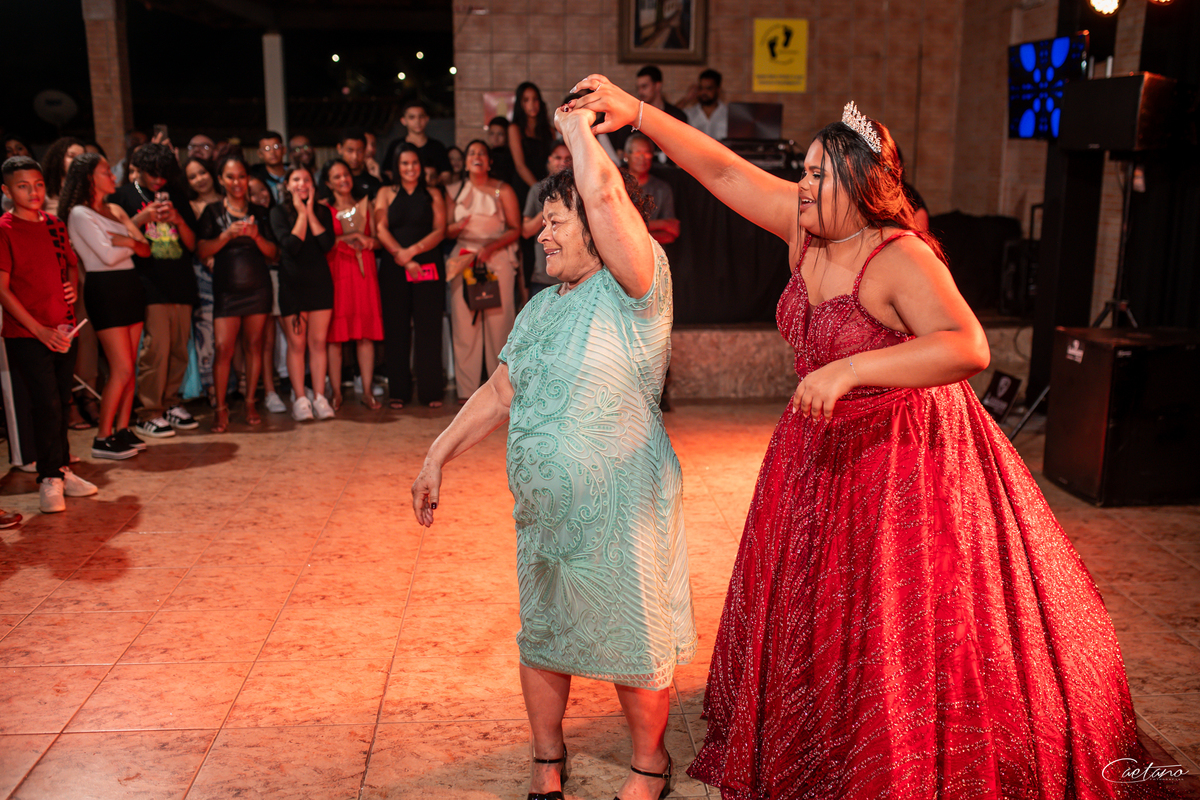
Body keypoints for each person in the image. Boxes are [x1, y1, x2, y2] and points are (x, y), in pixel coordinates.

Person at [571, 76, 1174, 797]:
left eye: (817, 175)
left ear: (859, 183)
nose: (801, 185)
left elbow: (968, 346)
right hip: (818, 451)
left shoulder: (898, 255)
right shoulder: (805, 230)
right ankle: (824, 730)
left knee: (896, 615)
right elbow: (725, 171)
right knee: (822, 606)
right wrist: (638, 113)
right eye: (803, 172)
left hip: (902, 460)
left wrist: (853, 368)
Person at [411, 97, 695, 800]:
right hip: (546, 523)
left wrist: (577, 127)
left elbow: (608, 195)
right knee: (543, 635)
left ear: (596, 224)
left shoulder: (637, 288)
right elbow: (499, 392)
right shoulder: (541, 307)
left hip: (621, 510)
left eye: (555, 221)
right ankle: (547, 760)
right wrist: (437, 454)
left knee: (633, 636)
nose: (541, 235)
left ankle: (649, 768)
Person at [0, 155, 95, 516]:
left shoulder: (54, 223)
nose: (33, 192)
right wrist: (38, 329)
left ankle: (62, 469)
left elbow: (70, 263)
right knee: (45, 403)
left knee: (61, 400)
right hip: (27, 332)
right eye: (23, 186)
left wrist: (71, 286)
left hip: (64, 328)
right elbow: (3, 289)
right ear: (7, 190)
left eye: (38, 184)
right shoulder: (5, 229)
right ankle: (49, 477)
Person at [62, 153, 151, 460]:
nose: (113, 176)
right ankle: (102, 437)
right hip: (105, 289)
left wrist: (126, 242)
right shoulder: (79, 213)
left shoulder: (114, 209)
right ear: (89, 178)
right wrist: (130, 244)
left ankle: (122, 429)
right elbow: (106, 256)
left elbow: (145, 248)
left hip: (130, 285)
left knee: (130, 367)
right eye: (106, 172)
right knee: (121, 368)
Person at [109, 143, 201, 439]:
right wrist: (141, 218)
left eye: (164, 175)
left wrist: (177, 219)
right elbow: (112, 238)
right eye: (153, 174)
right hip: (147, 283)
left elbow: (192, 245)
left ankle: (171, 403)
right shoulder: (123, 197)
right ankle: (148, 412)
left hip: (181, 282)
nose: (159, 180)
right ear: (138, 169)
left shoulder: (177, 196)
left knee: (179, 349)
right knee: (156, 349)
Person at [196, 156, 279, 432]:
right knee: (223, 348)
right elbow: (201, 250)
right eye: (230, 177)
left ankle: (251, 402)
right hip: (227, 290)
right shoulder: (212, 212)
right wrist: (226, 236)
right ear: (221, 180)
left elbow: (274, 253)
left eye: (241, 176)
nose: (237, 182)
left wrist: (256, 236)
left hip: (258, 288)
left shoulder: (260, 211)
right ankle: (220, 408)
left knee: (254, 345)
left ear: (248, 178)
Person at [444, 140, 519, 401]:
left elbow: (515, 228)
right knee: (465, 325)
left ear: (489, 162)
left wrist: (490, 247)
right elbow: (444, 229)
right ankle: (467, 392)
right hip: (464, 257)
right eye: (472, 153)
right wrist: (455, 228)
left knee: (500, 324)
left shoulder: (502, 190)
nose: (477, 157)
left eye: (482, 153)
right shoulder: (453, 191)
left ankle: (502, 392)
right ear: (465, 162)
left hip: (496, 257)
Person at [374, 144, 446, 409]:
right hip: (395, 266)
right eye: (404, 163)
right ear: (396, 166)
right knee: (396, 328)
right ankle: (399, 391)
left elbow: (440, 230)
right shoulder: (385, 192)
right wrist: (401, 256)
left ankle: (430, 390)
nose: (410, 168)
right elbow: (380, 228)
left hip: (427, 264)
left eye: (414, 162)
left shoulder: (433, 193)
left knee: (429, 328)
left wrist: (412, 253)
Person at [268, 166, 336, 421]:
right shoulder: (278, 212)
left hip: (320, 284)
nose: (302, 184)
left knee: (318, 343)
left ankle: (319, 397)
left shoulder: (323, 211)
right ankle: (300, 399)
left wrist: (309, 212)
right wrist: (300, 214)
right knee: (296, 344)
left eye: (307, 179)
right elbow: (291, 245)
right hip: (292, 286)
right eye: (296, 179)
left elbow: (326, 243)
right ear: (287, 185)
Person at [322, 158, 383, 410]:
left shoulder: (366, 205)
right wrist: (350, 236)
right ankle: (336, 392)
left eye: (345, 174)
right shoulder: (323, 208)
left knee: (365, 334)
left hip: (363, 271)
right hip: (337, 271)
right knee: (335, 336)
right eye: (336, 177)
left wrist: (369, 242)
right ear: (328, 183)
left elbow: (378, 240)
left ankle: (367, 391)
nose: (343, 180)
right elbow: (323, 242)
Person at [246, 175, 286, 414]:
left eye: (262, 189)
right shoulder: (251, 218)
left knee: (292, 337)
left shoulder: (278, 212)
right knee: (266, 341)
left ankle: (297, 385)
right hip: (262, 278)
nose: (260, 196)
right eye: (252, 193)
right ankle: (270, 391)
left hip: (284, 276)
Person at [185, 156, 221, 402]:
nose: (199, 179)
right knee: (206, 329)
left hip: (234, 270)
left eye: (202, 172)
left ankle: (239, 381)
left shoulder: (230, 199)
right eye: (192, 176)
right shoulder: (189, 206)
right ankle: (211, 386)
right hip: (202, 274)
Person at [520, 142, 572, 296]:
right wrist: (550, 207)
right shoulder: (537, 190)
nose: (563, 162)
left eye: (567, 158)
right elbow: (526, 231)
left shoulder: (579, 189)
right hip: (543, 275)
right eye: (558, 158)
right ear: (549, 160)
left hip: (572, 274)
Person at [610, 66, 689, 155]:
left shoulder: (676, 116)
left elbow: (685, 151)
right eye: (638, 88)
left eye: (644, 86)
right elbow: (621, 153)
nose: (640, 92)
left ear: (658, 86)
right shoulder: (632, 119)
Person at [623, 134, 679, 245]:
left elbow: (672, 231)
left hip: (652, 250)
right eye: (637, 152)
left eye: (647, 153)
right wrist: (660, 224)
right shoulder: (617, 184)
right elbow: (619, 226)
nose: (642, 158)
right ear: (626, 155)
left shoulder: (661, 188)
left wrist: (634, 235)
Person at [508, 82, 554, 206]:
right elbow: (520, 165)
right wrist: (538, 189)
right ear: (520, 103)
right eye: (526, 100)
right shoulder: (515, 129)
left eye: (535, 99)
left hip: (546, 182)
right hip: (524, 185)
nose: (532, 104)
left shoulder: (549, 130)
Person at [320, 129, 380, 202]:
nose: (355, 156)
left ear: (365, 151)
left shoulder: (373, 182)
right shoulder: (327, 178)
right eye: (350, 151)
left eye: (359, 151)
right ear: (339, 148)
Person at [400, 102, 452, 186]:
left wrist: (434, 180)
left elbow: (446, 175)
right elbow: (389, 174)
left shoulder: (437, 146)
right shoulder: (396, 146)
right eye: (412, 117)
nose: (417, 121)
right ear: (403, 120)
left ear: (427, 119)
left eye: (421, 117)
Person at [40, 137, 86, 217]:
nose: (77, 161)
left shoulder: (87, 188)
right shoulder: (43, 188)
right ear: (58, 158)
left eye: (82, 158)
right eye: (71, 156)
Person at [679, 69, 728, 141]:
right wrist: (687, 98)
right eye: (701, 88)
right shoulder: (689, 113)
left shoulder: (728, 114)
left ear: (718, 90)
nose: (704, 92)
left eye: (709, 88)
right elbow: (669, 118)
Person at [249, 131, 287, 203]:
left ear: (284, 150)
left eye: (276, 147)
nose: (272, 152)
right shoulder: (257, 178)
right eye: (267, 148)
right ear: (260, 154)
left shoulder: (294, 174)